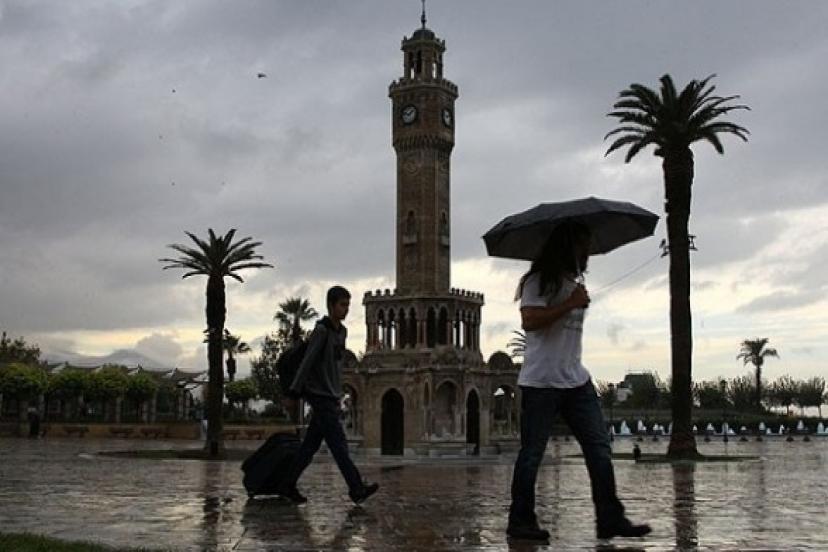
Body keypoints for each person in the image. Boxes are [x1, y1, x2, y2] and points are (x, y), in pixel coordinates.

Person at [507, 221, 651, 542]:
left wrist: (575, 298)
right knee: (532, 454)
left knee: (599, 449)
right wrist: (569, 304)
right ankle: (520, 521)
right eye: (581, 245)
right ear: (565, 246)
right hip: (542, 382)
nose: (586, 252)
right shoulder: (536, 282)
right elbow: (529, 321)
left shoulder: (574, 283)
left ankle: (610, 518)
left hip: (576, 381)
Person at [278, 285, 379, 505]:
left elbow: (336, 364)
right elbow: (307, 363)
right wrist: (293, 393)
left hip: (332, 395)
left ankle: (287, 484)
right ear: (331, 306)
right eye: (342, 305)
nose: (346, 309)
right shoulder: (321, 331)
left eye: (348, 305)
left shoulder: (342, 332)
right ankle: (356, 488)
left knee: (310, 446)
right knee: (339, 446)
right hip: (320, 396)